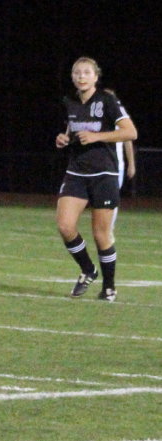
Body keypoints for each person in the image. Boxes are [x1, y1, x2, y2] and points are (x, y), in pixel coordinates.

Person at [55, 57, 137, 302]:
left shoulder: (107, 100)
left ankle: (109, 287)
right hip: (77, 172)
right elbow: (72, 132)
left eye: (86, 72)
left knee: (101, 234)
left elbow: (131, 132)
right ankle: (88, 269)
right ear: (72, 77)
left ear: (95, 76)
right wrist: (63, 139)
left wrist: (97, 136)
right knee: (65, 226)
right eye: (77, 73)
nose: (81, 76)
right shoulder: (70, 102)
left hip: (104, 174)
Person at [104, 89, 136, 238]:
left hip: (116, 165)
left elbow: (128, 141)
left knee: (112, 197)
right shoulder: (95, 115)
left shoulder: (120, 116)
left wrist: (131, 164)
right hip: (98, 164)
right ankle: (104, 228)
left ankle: (109, 229)